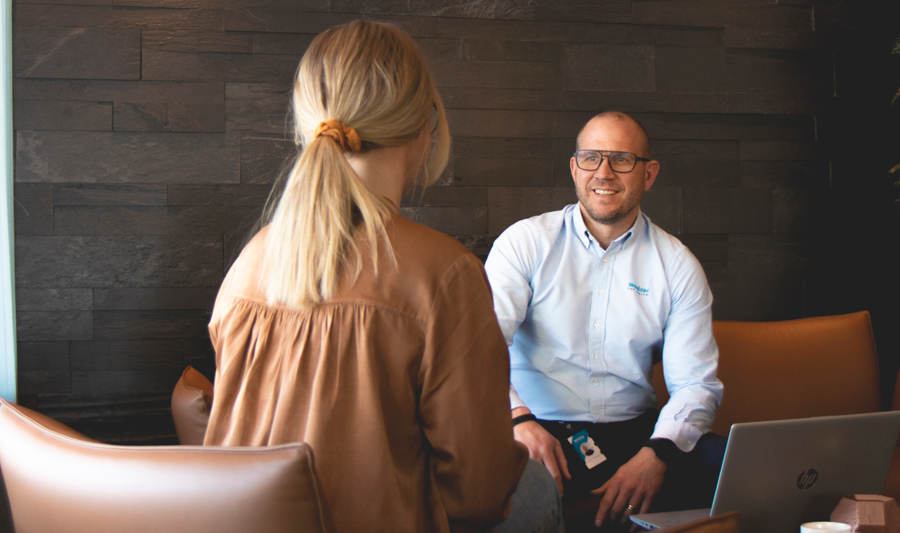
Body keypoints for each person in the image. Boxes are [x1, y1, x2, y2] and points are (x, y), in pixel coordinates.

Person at [203, 20, 561, 533]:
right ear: (424, 126)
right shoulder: (444, 274)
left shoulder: (248, 264)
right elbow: (478, 495)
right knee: (536, 485)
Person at [484, 112, 726, 530]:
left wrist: (658, 454)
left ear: (649, 174)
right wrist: (517, 420)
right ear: (574, 168)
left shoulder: (677, 265)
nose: (604, 172)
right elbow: (479, 349)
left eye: (622, 159)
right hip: (537, 431)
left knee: (726, 467)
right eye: (591, 158)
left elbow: (695, 385)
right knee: (511, 486)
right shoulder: (524, 243)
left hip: (637, 436)